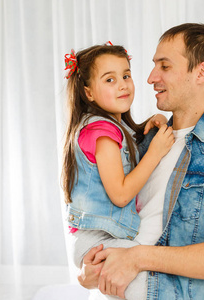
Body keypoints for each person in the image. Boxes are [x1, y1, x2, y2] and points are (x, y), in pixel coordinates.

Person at [78, 23, 204, 300]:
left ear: (202, 73)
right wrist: (88, 274)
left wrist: (137, 258)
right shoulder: (142, 142)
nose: (150, 77)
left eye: (164, 66)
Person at [61, 42, 175, 299]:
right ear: (88, 93)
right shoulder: (102, 133)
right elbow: (120, 194)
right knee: (149, 281)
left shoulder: (109, 128)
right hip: (98, 239)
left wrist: (148, 125)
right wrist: (155, 152)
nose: (123, 84)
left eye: (126, 75)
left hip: (101, 236)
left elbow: (123, 154)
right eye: (110, 79)